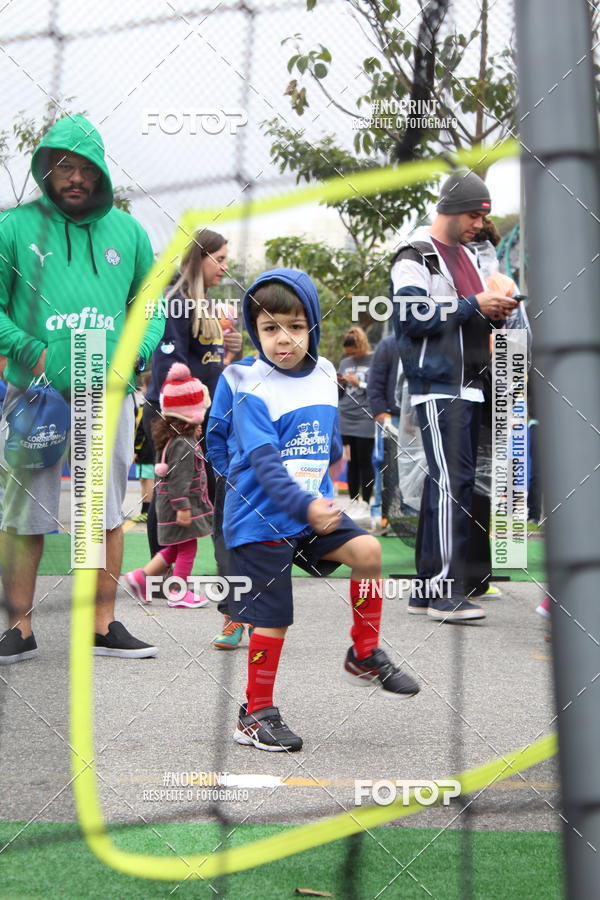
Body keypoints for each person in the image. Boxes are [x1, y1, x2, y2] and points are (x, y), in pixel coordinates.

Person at [224, 268, 420, 753]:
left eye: (294, 326)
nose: (283, 339)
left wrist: (322, 485)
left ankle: (364, 653)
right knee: (274, 619)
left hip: (310, 511)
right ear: (255, 331)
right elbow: (264, 462)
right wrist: (305, 502)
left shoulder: (326, 371)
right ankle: (254, 713)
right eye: (269, 328)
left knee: (368, 551)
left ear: (312, 324)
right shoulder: (250, 385)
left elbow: (329, 442)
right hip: (260, 515)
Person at [0, 114, 164, 663]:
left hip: (107, 392)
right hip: (35, 393)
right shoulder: (13, 227)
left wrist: (135, 353)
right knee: (23, 511)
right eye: (63, 166)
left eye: (84, 167)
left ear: (100, 172)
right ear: (45, 168)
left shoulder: (129, 232)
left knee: (104, 512)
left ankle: (102, 624)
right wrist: (34, 351)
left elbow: (149, 307)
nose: (74, 177)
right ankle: (18, 629)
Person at [392, 170, 518, 623]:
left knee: (445, 483)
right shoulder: (415, 255)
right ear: (449, 209)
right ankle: (445, 593)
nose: (480, 225)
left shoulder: (468, 256)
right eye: (473, 215)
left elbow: (467, 318)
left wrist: (495, 311)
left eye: (483, 217)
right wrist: (473, 304)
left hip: (469, 383)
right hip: (437, 385)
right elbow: (411, 317)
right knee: (453, 483)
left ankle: (428, 588)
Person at [142, 230, 242, 565]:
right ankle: (159, 574)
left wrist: (231, 350)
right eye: (220, 259)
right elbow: (170, 367)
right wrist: (188, 421)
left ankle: (224, 568)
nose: (225, 267)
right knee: (173, 491)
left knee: (208, 488)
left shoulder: (206, 303)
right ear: (199, 258)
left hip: (203, 414)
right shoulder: (175, 299)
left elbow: (208, 364)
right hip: (174, 414)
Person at [124, 364, 213, 608]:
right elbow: (179, 480)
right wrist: (183, 507)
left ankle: (142, 578)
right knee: (188, 548)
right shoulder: (184, 444)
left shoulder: (175, 437)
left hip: (168, 505)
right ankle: (178, 592)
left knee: (174, 547)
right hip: (179, 506)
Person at [205, 354, 256, 649]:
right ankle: (232, 616)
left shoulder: (300, 373)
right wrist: (225, 474)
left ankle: (261, 619)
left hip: (278, 480)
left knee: (268, 550)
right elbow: (215, 430)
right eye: (271, 331)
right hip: (235, 477)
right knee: (226, 548)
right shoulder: (236, 373)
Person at [337, 327, 375, 520]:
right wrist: (340, 384)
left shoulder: (374, 360)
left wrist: (359, 383)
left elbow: (378, 387)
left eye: (354, 353)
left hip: (365, 417)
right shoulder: (345, 363)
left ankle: (366, 502)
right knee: (351, 461)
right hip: (345, 416)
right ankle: (353, 502)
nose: (351, 356)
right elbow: (339, 394)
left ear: (361, 346)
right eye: (348, 353)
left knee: (364, 460)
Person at [130, 371, 155, 524]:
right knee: (143, 479)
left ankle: (148, 511)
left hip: (147, 451)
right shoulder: (146, 406)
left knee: (148, 480)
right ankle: (145, 510)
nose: (141, 389)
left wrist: (136, 450)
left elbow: (141, 430)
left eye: (144, 386)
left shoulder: (147, 408)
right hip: (146, 451)